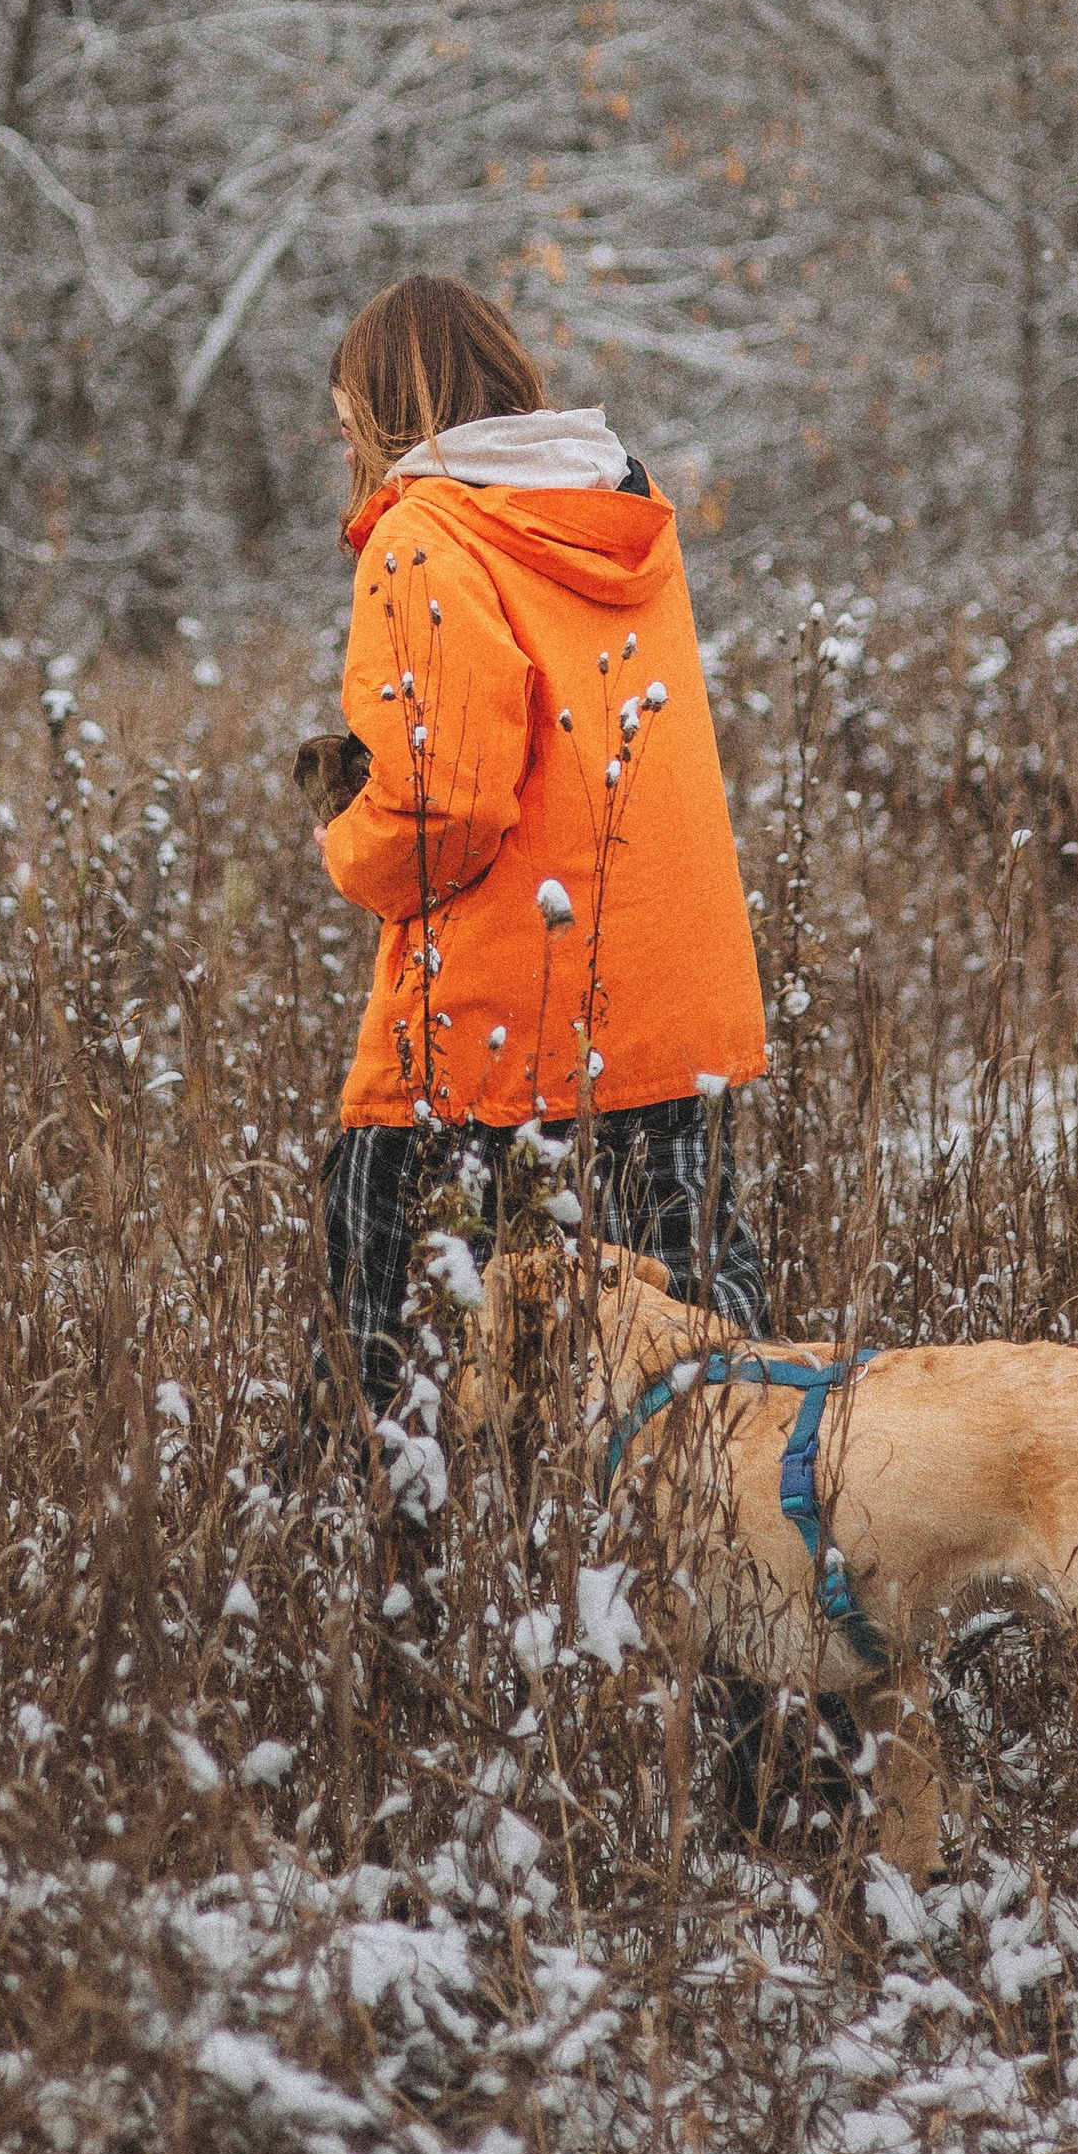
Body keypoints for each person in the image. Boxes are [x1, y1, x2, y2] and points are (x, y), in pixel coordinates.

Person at [310, 271, 770, 1414]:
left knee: (396, 1399)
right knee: (709, 1405)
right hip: (670, 1019)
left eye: (347, 419)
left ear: (384, 409)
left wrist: (345, 843)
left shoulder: (424, 535)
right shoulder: (621, 511)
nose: (344, 445)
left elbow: (445, 807)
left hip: (497, 1036)